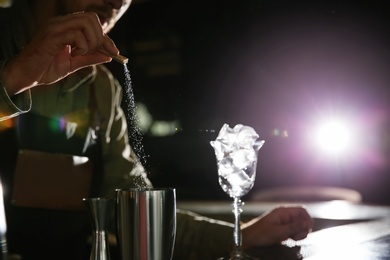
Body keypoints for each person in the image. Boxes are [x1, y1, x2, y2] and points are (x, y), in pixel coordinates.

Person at [0, 0, 313, 259]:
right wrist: (15, 77)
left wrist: (242, 234)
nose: (117, 2)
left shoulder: (101, 89)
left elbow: (137, 207)